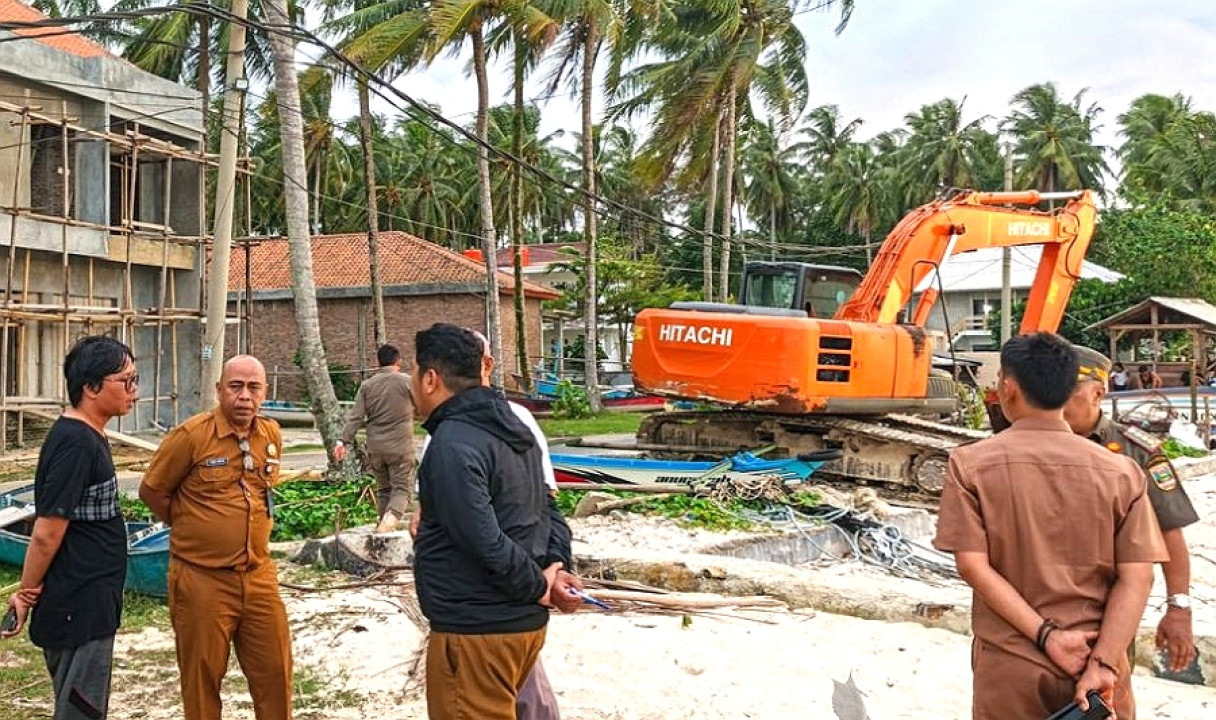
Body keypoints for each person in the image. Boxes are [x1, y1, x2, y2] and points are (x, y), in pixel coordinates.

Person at [934, 332, 1167, 720]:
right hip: (1099, 671)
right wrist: (1104, 662)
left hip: (1012, 667)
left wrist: (1048, 636)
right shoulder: (1122, 472)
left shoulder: (971, 464)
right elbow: (1139, 577)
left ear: (1009, 388)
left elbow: (973, 566)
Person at [410, 323, 580, 720]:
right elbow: (548, 509)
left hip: (477, 630)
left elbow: (483, 538)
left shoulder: (452, 442)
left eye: (414, 373)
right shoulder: (513, 426)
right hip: (520, 627)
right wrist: (555, 568)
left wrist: (539, 584)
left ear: (431, 379)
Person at [139, 355, 292, 720]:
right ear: (219, 390)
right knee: (202, 680)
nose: (245, 396)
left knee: (275, 673)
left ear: (264, 393)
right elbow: (152, 491)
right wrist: (193, 526)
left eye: (254, 388)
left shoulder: (270, 434)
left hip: (258, 576)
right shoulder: (192, 436)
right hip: (202, 579)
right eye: (236, 386)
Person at [1, 336, 138, 719]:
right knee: (81, 711)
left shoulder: (89, 435)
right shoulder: (76, 443)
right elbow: (47, 531)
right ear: (91, 387)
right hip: (78, 605)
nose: (134, 390)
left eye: (136, 379)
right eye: (126, 380)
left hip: (90, 601)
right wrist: (25, 594)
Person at [1063, 345, 1201, 674]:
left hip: (1110, 607)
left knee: (1107, 686)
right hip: (1039, 603)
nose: (1058, 403)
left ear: (1098, 393)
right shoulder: (1032, 446)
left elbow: (1169, 528)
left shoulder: (1134, 451)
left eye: (1068, 393)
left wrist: (1178, 607)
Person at [334, 343, 416, 533]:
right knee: (401, 490)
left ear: (378, 362)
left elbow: (356, 417)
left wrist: (343, 441)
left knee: (384, 490)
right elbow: (424, 405)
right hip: (401, 447)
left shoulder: (367, 385)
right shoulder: (407, 382)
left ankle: (383, 530)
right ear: (398, 361)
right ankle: (386, 525)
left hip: (375, 448)